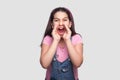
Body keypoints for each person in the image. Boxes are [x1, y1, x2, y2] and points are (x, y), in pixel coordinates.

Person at [40, 7, 83, 80]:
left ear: (70, 24)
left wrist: (67, 40)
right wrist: (55, 40)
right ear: (52, 24)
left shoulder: (77, 38)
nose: (61, 23)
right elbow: (44, 64)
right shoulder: (48, 39)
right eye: (56, 20)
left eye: (65, 20)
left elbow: (78, 63)